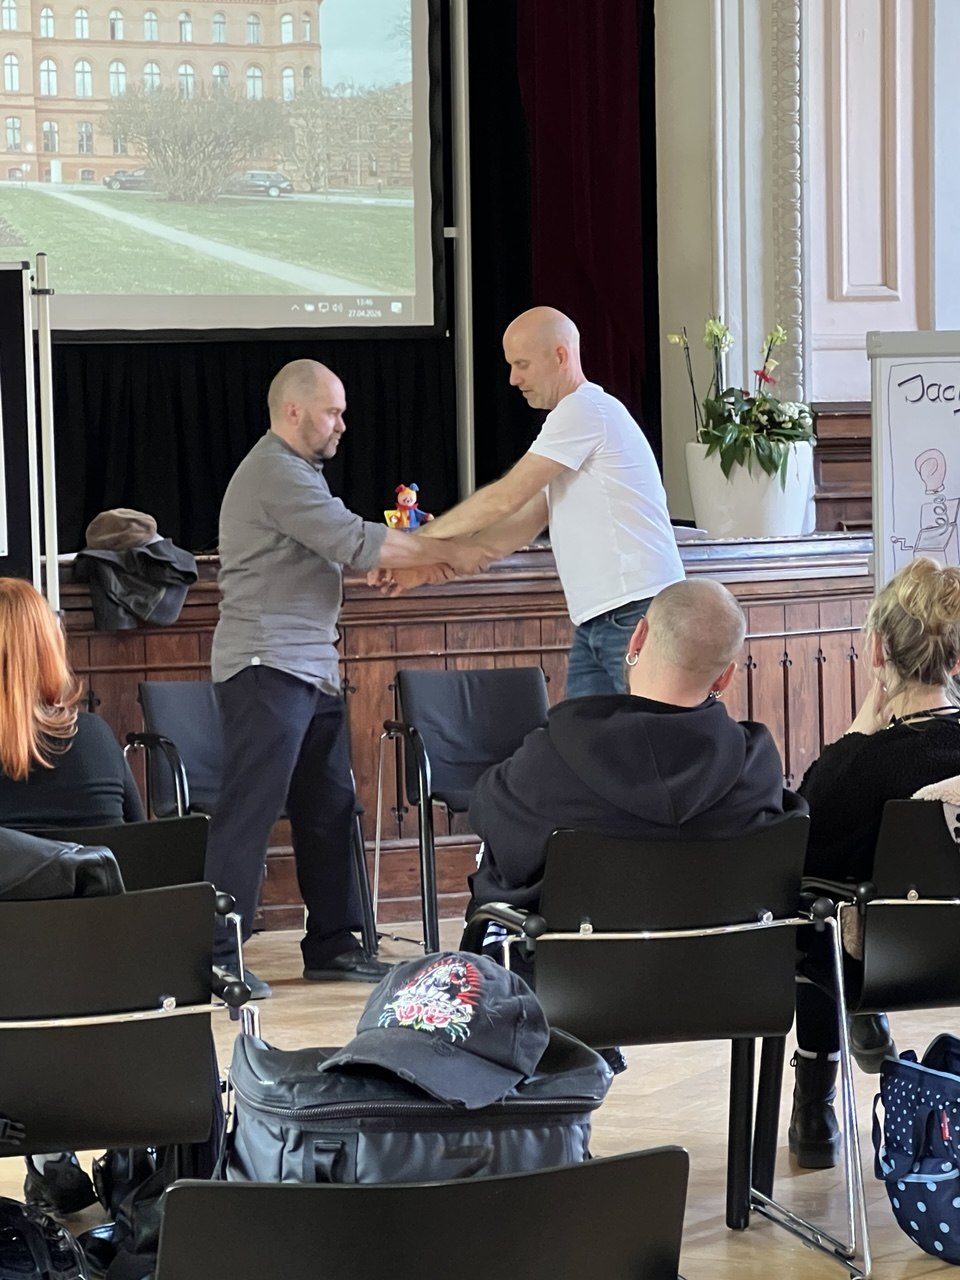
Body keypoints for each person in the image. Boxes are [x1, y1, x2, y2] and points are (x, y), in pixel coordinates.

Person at [205, 359, 487, 994]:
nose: (341, 424)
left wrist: (395, 554)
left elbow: (342, 546)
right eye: (332, 412)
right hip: (266, 665)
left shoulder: (298, 473)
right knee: (250, 812)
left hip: (309, 668)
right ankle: (216, 956)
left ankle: (334, 943)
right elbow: (353, 539)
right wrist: (455, 549)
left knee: (329, 809)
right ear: (294, 412)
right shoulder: (275, 471)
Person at [378, 306, 685, 697]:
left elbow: (505, 498)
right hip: (605, 618)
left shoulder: (583, 409)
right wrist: (427, 565)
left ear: (560, 356)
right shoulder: (576, 422)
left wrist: (409, 545)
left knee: (648, 732)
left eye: (521, 364)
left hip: (633, 611)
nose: (513, 378)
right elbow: (513, 528)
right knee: (584, 734)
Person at [468, 578, 801, 914]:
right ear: (725, 676)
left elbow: (493, 824)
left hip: (577, 946)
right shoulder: (755, 765)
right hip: (726, 947)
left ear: (637, 637)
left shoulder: (551, 755)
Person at [789, 557, 960, 1170]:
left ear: (879, 651)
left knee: (808, 908)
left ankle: (815, 1103)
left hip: (877, 967)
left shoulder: (859, 767)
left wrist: (859, 733)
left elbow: (803, 842)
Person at [0, 576, 145, 1217]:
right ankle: (129, 1156)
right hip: (108, 1000)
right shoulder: (97, 740)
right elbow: (146, 862)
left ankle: (48, 1159)